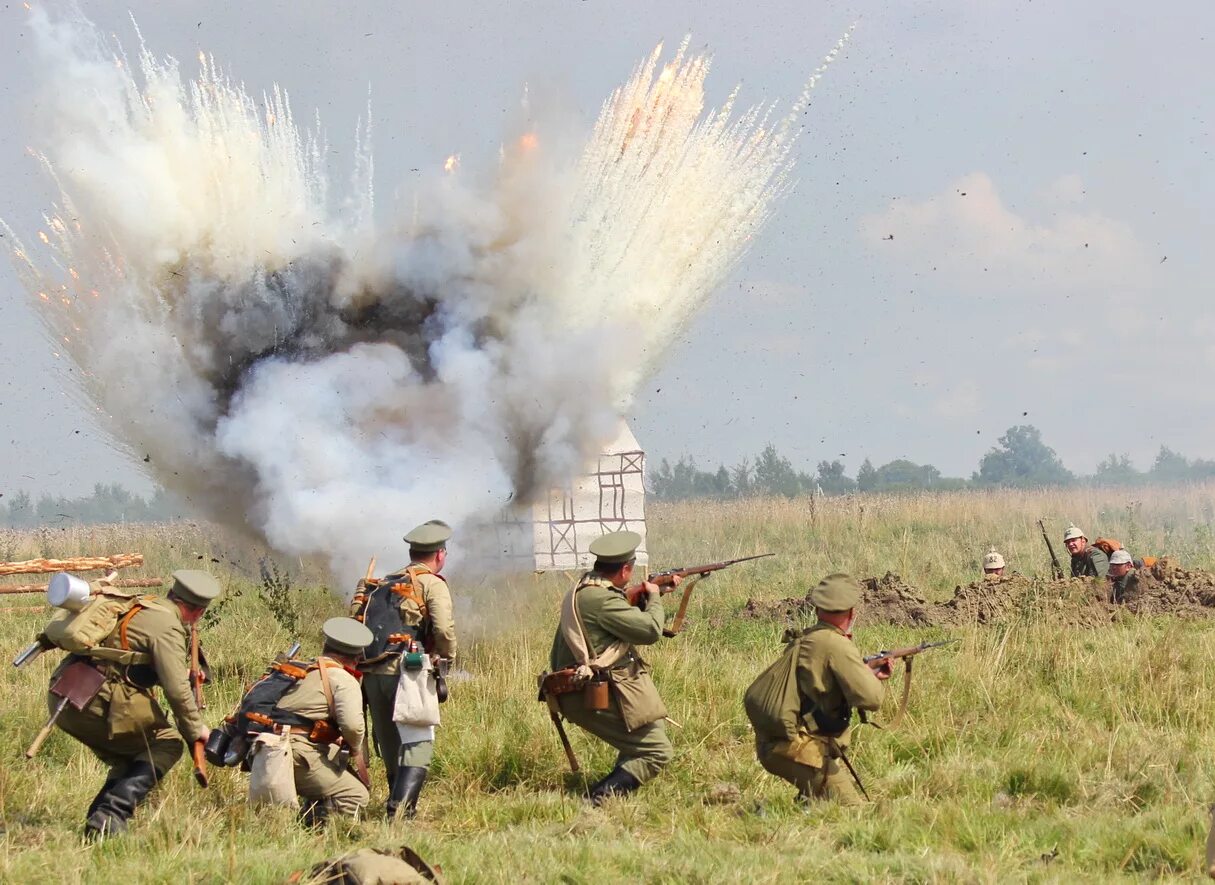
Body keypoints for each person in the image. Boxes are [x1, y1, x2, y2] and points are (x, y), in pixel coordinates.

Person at [51, 569, 219, 839]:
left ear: (171, 594)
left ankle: (99, 825)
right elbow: (176, 690)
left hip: (65, 692)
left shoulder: (142, 604)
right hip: (99, 700)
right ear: (197, 612)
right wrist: (196, 729)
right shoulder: (168, 625)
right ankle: (112, 813)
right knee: (166, 743)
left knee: (133, 756)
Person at [548, 530, 680, 804]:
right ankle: (597, 800)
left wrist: (650, 595)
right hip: (586, 692)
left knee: (651, 729)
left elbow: (618, 616)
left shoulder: (587, 588)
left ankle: (612, 792)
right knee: (657, 751)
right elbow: (651, 630)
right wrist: (654, 597)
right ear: (626, 569)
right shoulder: (602, 600)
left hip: (577, 688)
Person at [747, 573, 891, 806]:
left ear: (817, 609)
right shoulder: (835, 644)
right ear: (852, 613)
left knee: (819, 803)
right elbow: (872, 699)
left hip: (775, 744)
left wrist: (865, 671)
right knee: (854, 813)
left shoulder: (808, 637)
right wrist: (874, 678)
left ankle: (807, 804)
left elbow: (818, 687)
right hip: (796, 748)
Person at [352, 520, 457, 819]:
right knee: (419, 743)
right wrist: (446, 658)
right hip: (408, 672)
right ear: (439, 555)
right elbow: (443, 628)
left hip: (372, 675)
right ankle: (400, 812)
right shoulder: (432, 583)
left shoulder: (382, 582)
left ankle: (394, 801)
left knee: (389, 744)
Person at [273, 617, 374, 822]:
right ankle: (319, 829)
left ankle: (310, 811)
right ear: (356, 657)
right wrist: (355, 748)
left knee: (335, 753)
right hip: (293, 753)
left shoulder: (302, 668)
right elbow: (353, 728)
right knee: (356, 795)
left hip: (266, 748)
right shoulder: (343, 678)